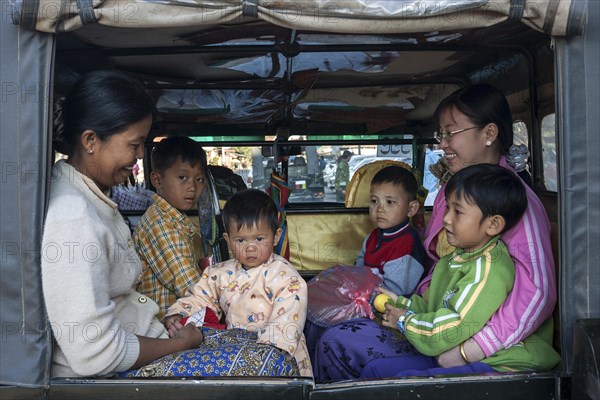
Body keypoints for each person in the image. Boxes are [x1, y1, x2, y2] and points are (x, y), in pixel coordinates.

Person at [313, 83, 556, 382]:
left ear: (489, 134)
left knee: (337, 343)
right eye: (441, 135)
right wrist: (403, 305)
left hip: (481, 344)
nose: (442, 144)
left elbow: (538, 293)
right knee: (322, 322)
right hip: (432, 320)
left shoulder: (514, 204)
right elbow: (438, 269)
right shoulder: (451, 191)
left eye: (451, 133)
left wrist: (472, 349)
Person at [42, 70, 203, 378]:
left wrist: (156, 319)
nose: (140, 156)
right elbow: (95, 352)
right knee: (273, 367)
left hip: (153, 340)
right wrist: (178, 346)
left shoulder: (91, 195)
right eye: (134, 144)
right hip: (121, 374)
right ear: (90, 140)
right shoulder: (72, 216)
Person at [360, 164, 560, 378]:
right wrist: (400, 303)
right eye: (447, 208)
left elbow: (455, 324)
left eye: (458, 211)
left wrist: (404, 321)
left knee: (400, 381)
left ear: (493, 225)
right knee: (375, 370)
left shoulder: (489, 268)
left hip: (501, 362)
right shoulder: (452, 260)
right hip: (446, 344)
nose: (446, 218)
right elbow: (431, 307)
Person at [163, 189, 313, 377]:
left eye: (259, 239)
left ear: (275, 237)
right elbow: (201, 298)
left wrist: (269, 352)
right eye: (241, 240)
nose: (250, 247)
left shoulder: (286, 277)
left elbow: (288, 320)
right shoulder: (220, 273)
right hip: (236, 350)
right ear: (228, 240)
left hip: (279, 354)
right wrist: (179, 313)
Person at [133, 135, 208, 319]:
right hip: (162, 328)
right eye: (182, 177)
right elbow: (189, 284)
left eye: (199, 179)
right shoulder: (161, 223)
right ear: (157, 180)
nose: (192, 187)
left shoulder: (174, 219)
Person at [354, 165, 427, 295]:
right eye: (374, 201)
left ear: (411, 209)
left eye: (389, 202)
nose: (380, 209)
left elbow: (395, 294)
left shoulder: (406, 245)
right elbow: (358, 273)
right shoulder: (373, 237)